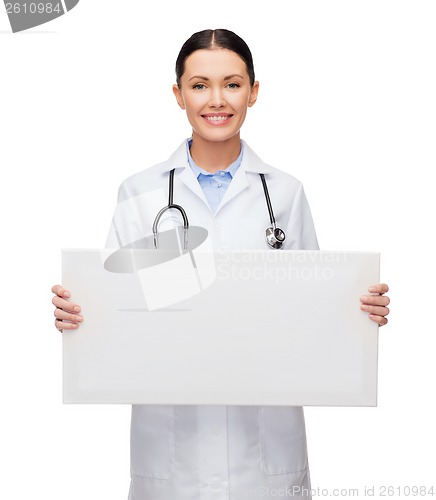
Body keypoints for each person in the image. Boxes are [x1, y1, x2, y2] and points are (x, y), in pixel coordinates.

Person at [51, 29, 390, 500]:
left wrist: (356, 311)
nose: (216, 100)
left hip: (265, 452)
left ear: (253, 92)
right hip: (172, 455)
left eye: (232, 84)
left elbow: (311, 312)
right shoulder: (140, 193)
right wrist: (78, 317)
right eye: (199, 85)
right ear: (178, 95)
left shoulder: (285, 193)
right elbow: (117, 310)